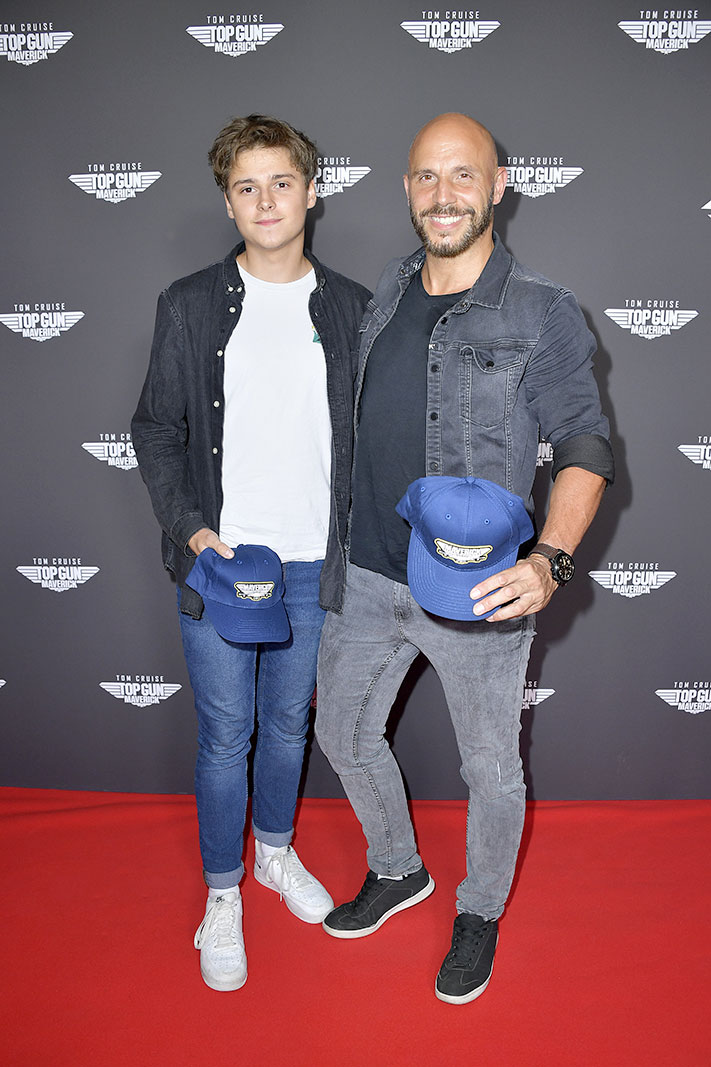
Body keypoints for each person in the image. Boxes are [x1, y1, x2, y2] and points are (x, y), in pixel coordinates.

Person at [315, 113, 614, 1004]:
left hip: (473, 585)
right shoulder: (390, 284)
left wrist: (550, 558)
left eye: (461, 175)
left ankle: (478, 907)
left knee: (488, 768)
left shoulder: (542, 310)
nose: (442, 194)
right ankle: (398, 867)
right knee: (341, 734)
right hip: (366, 572)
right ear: (407, 188)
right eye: (425, 176)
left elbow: (584, 443)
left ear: (497, 185)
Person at [131, 114, 370, 992]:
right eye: (246, 186)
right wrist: (192, 530)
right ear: (227, 202)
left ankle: (273, 851)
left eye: (281, 182)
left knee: (287, 726)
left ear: (311, 191)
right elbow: (155, 428)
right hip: (222, 564)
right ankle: (222, 892)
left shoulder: (353, 307)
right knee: (226, 733)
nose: (265, 201)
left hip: (314, 565)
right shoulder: (189, 303)